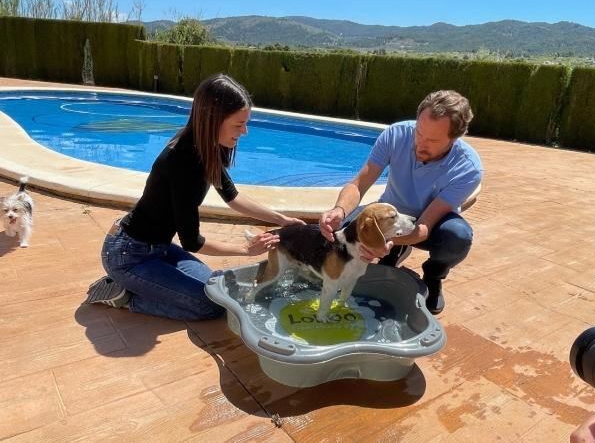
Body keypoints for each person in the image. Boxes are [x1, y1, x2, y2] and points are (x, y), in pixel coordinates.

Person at [85, 73, 304, 321]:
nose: (244, 131)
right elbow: (192, 241)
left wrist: (283, 219)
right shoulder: (184, 161)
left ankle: (147, 284)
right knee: (209, 306)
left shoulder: (206, 145)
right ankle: (124, 295)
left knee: (216, 290)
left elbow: (233, 197)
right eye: (238, 124)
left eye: (245, 123)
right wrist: (244, 249)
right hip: (128, 255)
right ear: (214, 120)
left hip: (160, 248)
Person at [320, 90, 483, 315]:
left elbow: (424, 226)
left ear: (455, 138)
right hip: (389, 214)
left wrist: (383, 243)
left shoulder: (468, 168)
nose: (420, 144)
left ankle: (433, 276)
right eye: (419, 133)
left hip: (431, 224)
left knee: (458, 237)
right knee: (338, 230)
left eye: (432, 140)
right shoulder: (396, 135)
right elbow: (359, 183)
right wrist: (339, 210)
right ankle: (392, 250)